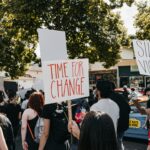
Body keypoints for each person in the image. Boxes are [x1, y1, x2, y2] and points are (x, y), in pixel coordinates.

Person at [109, 82, 131, 150]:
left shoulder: (108, 98)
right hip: (123, 125)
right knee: (119, 141)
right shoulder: (120, 96)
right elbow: (128, 109)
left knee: (115, 143)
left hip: (115, 126)